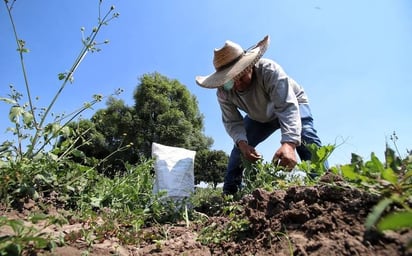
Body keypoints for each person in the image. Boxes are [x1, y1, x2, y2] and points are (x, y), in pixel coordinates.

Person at [195, 35, 327, 195]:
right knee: (238, 152)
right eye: (230, 82)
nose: (236, 85)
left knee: (306, 139)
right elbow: (232, 122)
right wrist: (243, 145)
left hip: (291, 103)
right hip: (259, 116)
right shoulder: (223, 92)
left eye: (241, 77)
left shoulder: (269, 70)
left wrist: (290, 143)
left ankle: (324, 187)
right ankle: (230, 196)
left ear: (250, 66)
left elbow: (286, 106)